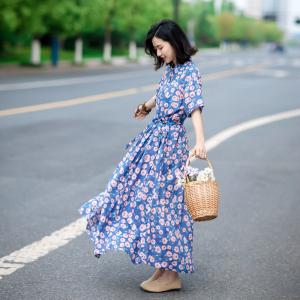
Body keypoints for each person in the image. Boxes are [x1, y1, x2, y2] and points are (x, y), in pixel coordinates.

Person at [78, 19, 207, 293]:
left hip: (170, 146)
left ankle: (171, 274)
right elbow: (161, 94)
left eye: (161, 48)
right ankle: (161, 269)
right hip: (154, 141)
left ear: (175, 42)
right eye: (156, 50)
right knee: (140, 197)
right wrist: (146, 106)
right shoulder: (172, 71)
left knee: (165, 207)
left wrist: (200, 141)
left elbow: (195, 106)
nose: (159, 54)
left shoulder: (189, 72)